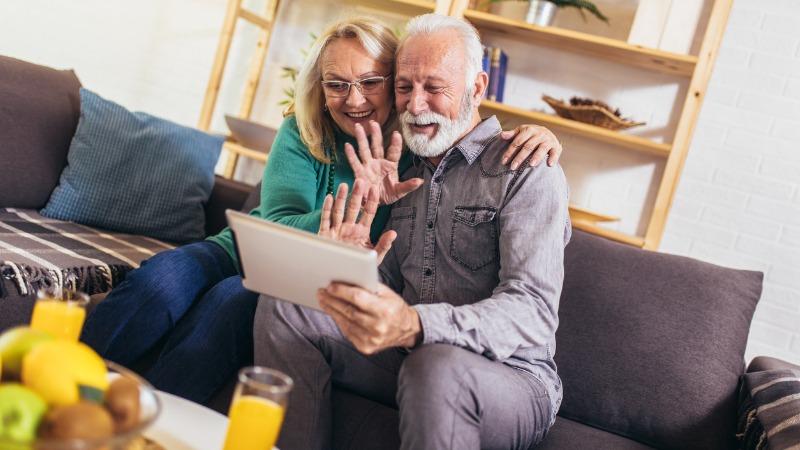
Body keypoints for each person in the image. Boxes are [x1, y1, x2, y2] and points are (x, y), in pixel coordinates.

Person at [80, 16, 564, 404]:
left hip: (305, 283)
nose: (353, 100)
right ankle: (58, 382)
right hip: (246, 250)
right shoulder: (306, 128)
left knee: (230, 302)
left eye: (372, 82)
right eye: (336, 84)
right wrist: (347, 217)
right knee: (161, 281)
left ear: (393, 82)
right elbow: (273, 223)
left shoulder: (418, 140)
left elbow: (468, 143)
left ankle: (143, 427)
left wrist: (540, 135)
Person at [255, 13, 571, 450]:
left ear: (477, 88)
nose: (415, 104)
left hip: (510, 376)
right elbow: (392, 283)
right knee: (286, 307)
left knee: (437, 365)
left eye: (434, 88)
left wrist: (415, 324)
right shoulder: (403, 170)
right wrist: (359, 254)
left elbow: (532, 312)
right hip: (409, 353)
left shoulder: (526, 169)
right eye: (404, 87)